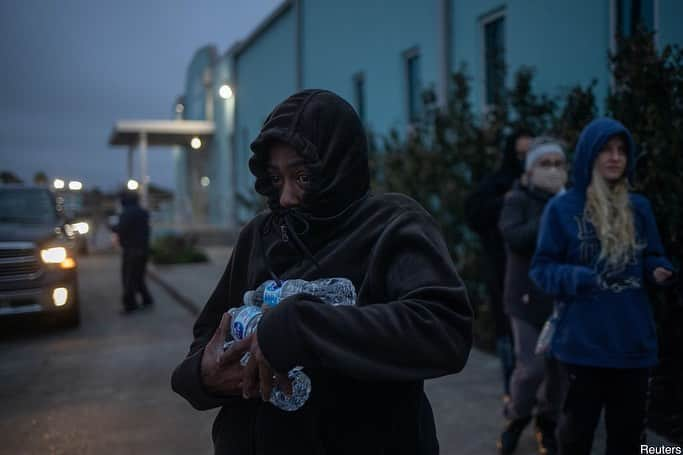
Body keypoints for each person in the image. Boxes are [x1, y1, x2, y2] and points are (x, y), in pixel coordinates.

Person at [171, 89, 473, 454]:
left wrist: (302, 328)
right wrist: (202, 376)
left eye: (302, 177)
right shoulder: (259, 235)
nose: (285, 197)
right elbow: (208, 336)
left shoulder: (392, 224)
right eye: (276, 178)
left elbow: (443, 329)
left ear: (338, 166)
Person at [530, 118, 676, 455]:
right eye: (606, 150)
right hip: (582, 345)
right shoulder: (562, 209)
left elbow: (654, 255)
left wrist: (659, 270)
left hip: (633, 345)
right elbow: (541, 268)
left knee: (627, 441)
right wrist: (577, 278)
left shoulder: (639, 208)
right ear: (588, 156)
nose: (615, 157)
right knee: (575, 438)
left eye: (622, 151)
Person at [496, 137, 568, 455]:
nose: (552, 170)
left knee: (559, 374)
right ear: (530, 168)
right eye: (545, 163)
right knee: (531, 370)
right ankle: (515, 420)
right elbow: (515, 237)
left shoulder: (571, 201)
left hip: (561, 300)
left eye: (558, 163)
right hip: (525, 300)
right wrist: (551, 213)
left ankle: (547, 425)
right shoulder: (517, 199)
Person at [464, 128, 534, 399]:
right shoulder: (497, 185)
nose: (524, 160)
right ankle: (513, 398)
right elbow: (474, 212)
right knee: (508, 334)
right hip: (503, 270)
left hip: (539, 276)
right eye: (520, 155)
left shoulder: (544, 186)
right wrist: (505, 201)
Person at [111, 191, 153, 313]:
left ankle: (130, 305)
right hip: (143, 250)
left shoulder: (127, 213)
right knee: (138, 277)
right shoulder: (142, 212)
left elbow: (121, 229)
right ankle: (147, 300)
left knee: (129, 278)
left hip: (132, 250)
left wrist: (112, 228)